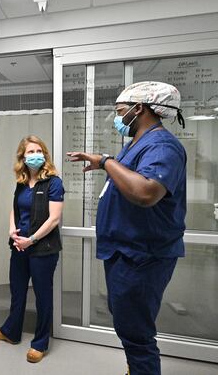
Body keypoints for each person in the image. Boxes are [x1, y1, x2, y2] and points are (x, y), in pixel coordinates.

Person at [67, 81, 187, 375]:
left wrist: (106, 162)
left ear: (140, 109)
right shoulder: (137, 144)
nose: (118, 119)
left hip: (142, 256)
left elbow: (146, 192)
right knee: (127, 323)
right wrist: (102, 162)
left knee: (136, 333)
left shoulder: (162, 146)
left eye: (121, 112)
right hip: (126, 252)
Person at [0, 135, 64, 363]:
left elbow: (54, 219)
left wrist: (30, 239)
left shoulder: (53, 182)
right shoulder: (21, 182)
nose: (34, 156)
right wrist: (12, 230)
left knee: (42, 296)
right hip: (19, 247)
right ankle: (11, 332)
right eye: (29, 152)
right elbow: (15, 209)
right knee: (18, 291)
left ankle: (40, 344)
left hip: (42, 248)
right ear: (22, 157)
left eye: (38, 151)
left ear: (45, 154)